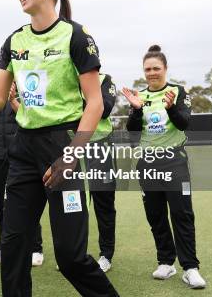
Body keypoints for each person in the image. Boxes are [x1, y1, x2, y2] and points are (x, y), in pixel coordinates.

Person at [0, 0, 119, 296]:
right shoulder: (14, 40)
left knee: (70, 257)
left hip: (62, 147)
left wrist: (69, 156)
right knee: (14, 247)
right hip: (23, 150)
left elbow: (94, 103)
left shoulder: (76, 36)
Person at [122, 45, 206, 289]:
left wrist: (170, 109)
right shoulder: (140, 96)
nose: (151, 73)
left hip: (174, 161)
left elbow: (184, 123)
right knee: (155, 215)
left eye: (156, 68)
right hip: (147, 163)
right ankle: (166, 263)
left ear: (165, 69)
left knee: (182, 214)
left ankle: (190, 268)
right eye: (147, 69)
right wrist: (137, 110)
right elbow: (133, 134)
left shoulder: (178, 92)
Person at [0, 82, 44, 266]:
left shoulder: (29, 86)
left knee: (27, 204)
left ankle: (35, 248)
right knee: (1, 203)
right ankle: (3, 247)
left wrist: (13, 100)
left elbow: (33, 119)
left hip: (22, 157)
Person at [87, 73, 117, 273]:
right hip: (71, 148)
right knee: (73, 204)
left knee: (103, 205)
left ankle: (106, 255)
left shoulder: (105, 79)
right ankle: (75, 253)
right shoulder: (66, 76)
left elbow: (104, 109)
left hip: (100, 150)